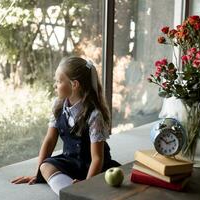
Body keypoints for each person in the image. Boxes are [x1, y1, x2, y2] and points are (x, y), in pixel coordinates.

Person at [11, 56, 120, 196]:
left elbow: (98, 158)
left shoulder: (94, 115)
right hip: (71, 161)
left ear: (74, 84)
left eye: (58, 81)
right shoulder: (58, 105)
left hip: (94, 166)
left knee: (102, 181)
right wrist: (38, 174)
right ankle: (70, 191)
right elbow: (49, 140)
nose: (55, 85)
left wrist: (87, 184)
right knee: (45, 166)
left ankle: (79, 191)